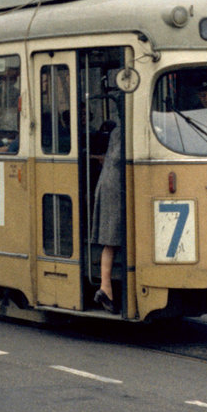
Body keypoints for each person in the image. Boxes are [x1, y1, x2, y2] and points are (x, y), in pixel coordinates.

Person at [91, 123, 123, 312]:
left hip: (113, 183)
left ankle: (106, 287)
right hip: (114, 186)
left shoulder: (119, 130)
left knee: (111, 240)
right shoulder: (121, 131)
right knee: (110, 238)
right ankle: (105, 286)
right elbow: (119, 157)